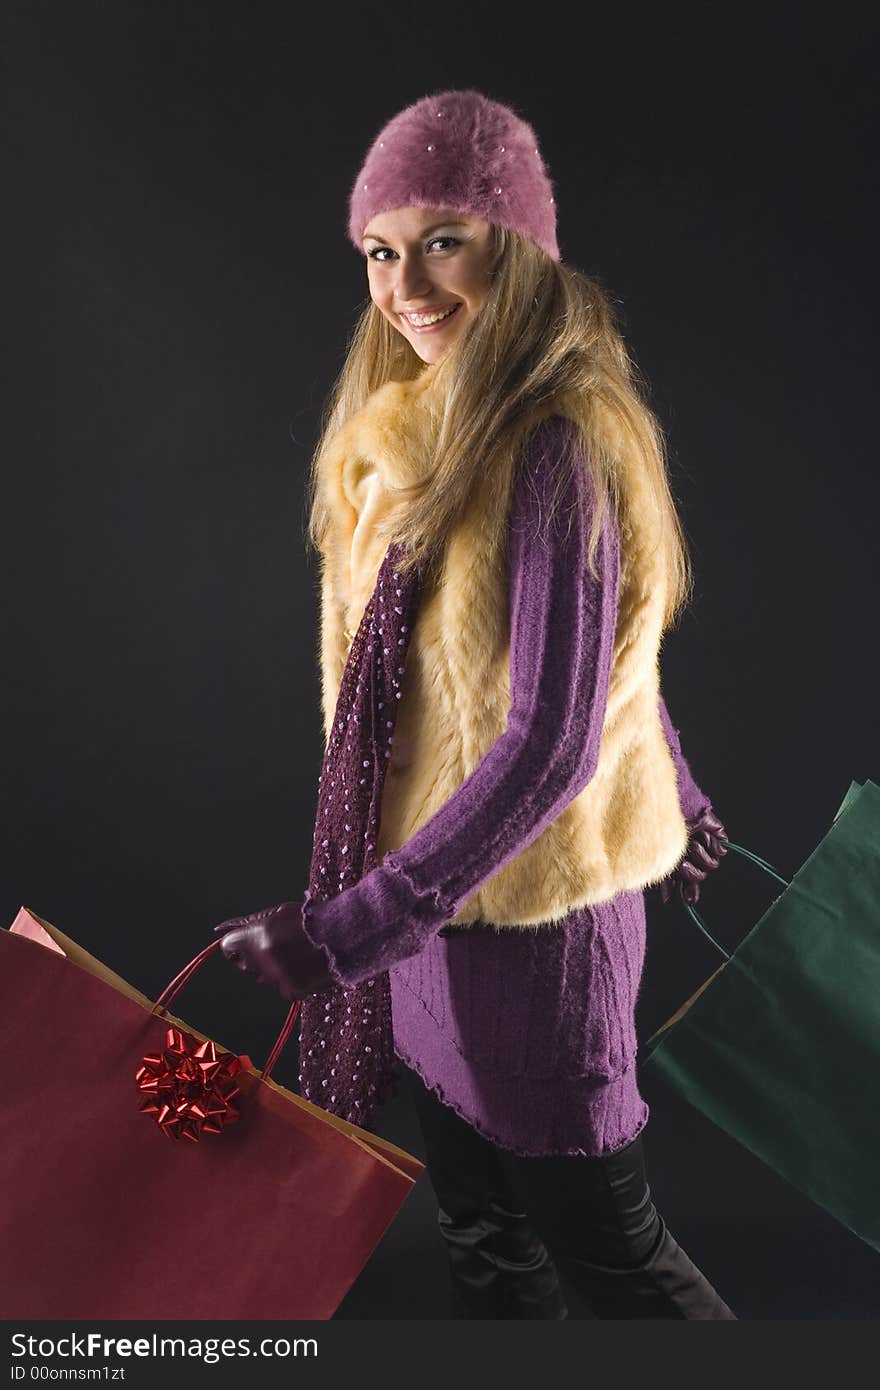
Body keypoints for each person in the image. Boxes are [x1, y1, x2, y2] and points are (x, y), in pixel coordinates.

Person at [213, 89, 735, 1320]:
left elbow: (555, 731)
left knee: (611, 1258)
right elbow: (611, 666)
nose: (406, 285)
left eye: (440, 238)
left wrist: (344, 929)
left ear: (521, 245)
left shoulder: (556, 445)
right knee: (484, 1236)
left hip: (523, 934)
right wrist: (684, 788)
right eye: (381, 253)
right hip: (427, 921)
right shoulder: (410, 440)